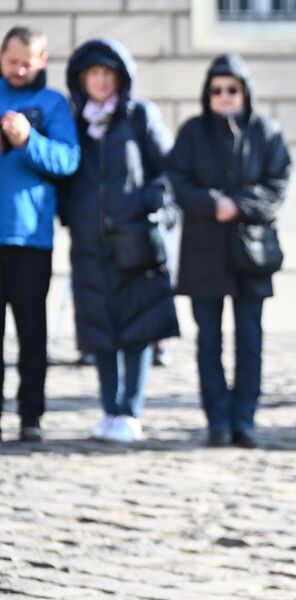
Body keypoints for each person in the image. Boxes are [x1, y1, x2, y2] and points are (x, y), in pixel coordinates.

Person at [168, 53, 291, 449]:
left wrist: (237, 205)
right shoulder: (192, 133)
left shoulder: (266, 132)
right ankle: (217, 419)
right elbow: (177, 180)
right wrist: (210, 203)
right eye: (217, 89)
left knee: (250, 339)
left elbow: (277, 186)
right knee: (209, 340)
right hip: (204, 253)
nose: (224, 96)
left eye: (232, 89)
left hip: (250, 254)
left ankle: (245, 417)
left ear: (245, 92)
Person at [64, 39, 179, 443]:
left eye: (106, 74)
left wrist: (155, 207)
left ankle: (131, 409)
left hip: (135, 242)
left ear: (119, 79)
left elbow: (170, 168)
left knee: (138, 328)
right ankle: (109, 409)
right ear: (82, 80)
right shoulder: (75, 123)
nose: (99, 81)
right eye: (92, 74)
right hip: (90, 244)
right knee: (101, 331)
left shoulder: (140, 117)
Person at [0, 25, 80, 442]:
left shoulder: (52, 104)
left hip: (30, 236)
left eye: (25, 63)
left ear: (42, 61)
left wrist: (28, 140)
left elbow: (67, 160)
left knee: (32, 334)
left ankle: (31, 416)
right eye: (11, 61)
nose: (17, 70)